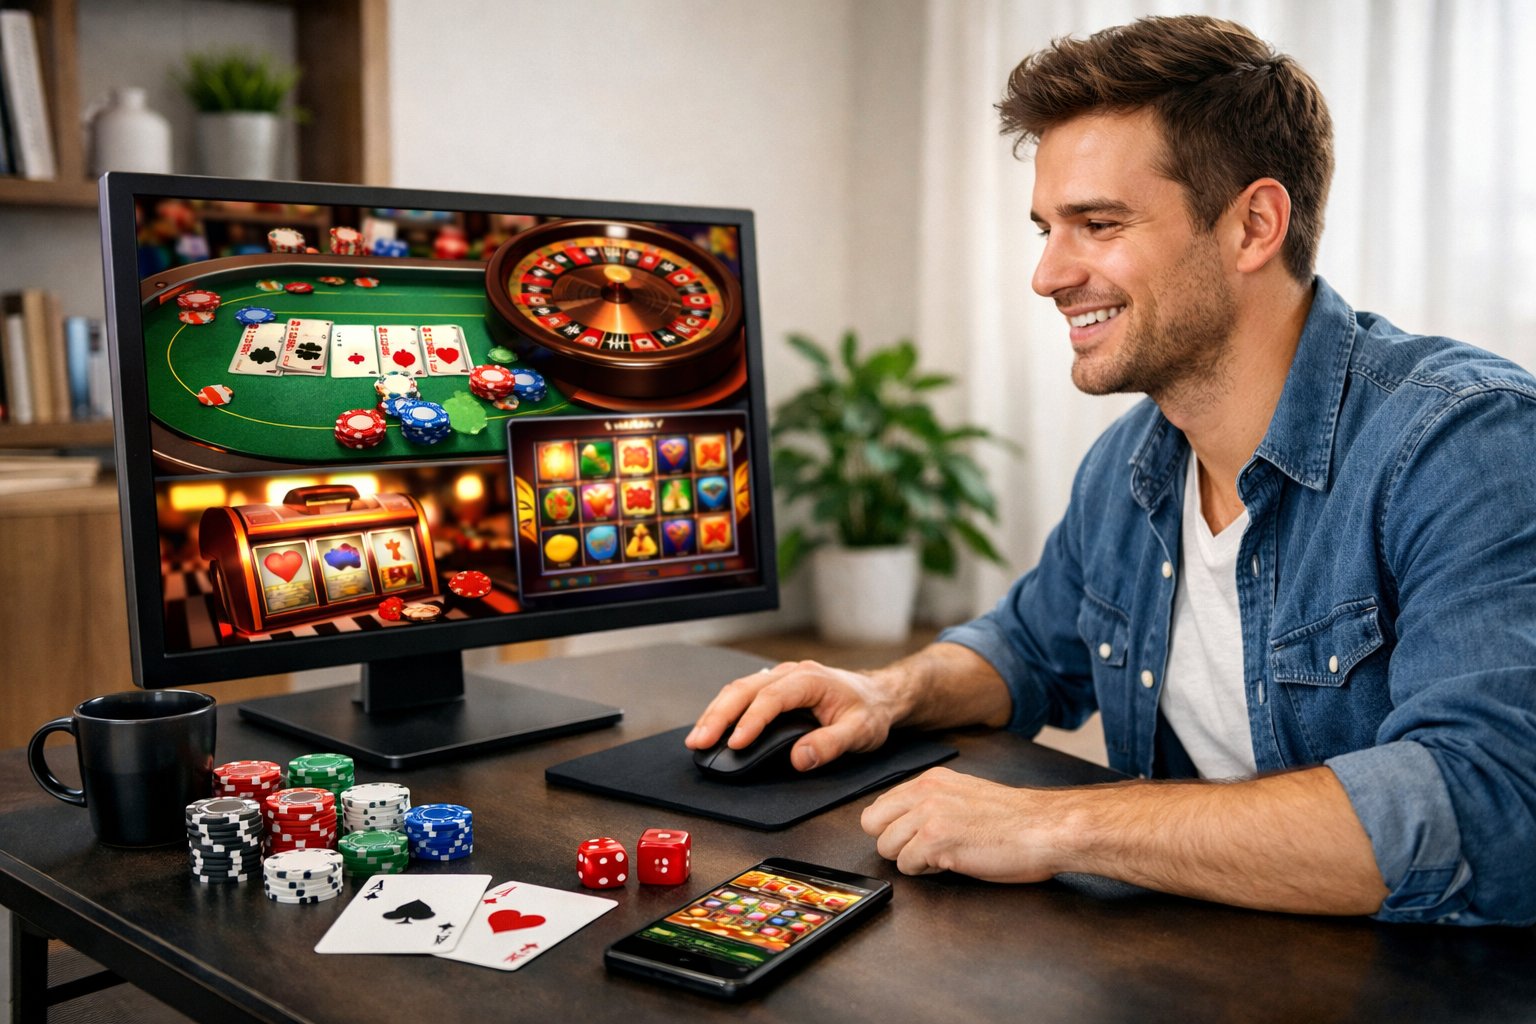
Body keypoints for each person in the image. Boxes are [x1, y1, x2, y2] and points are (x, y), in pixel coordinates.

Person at [686, 14, 1536, 927]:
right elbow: (1028, 649)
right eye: (1047, 228)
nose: (1048, 274)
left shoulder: (1465, 442)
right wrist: (886, 693)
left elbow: (1486, 808)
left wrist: (1057, 826)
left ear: (1254, 225)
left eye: (1098, 224)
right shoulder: (1133, 462)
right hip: (1212, 961)